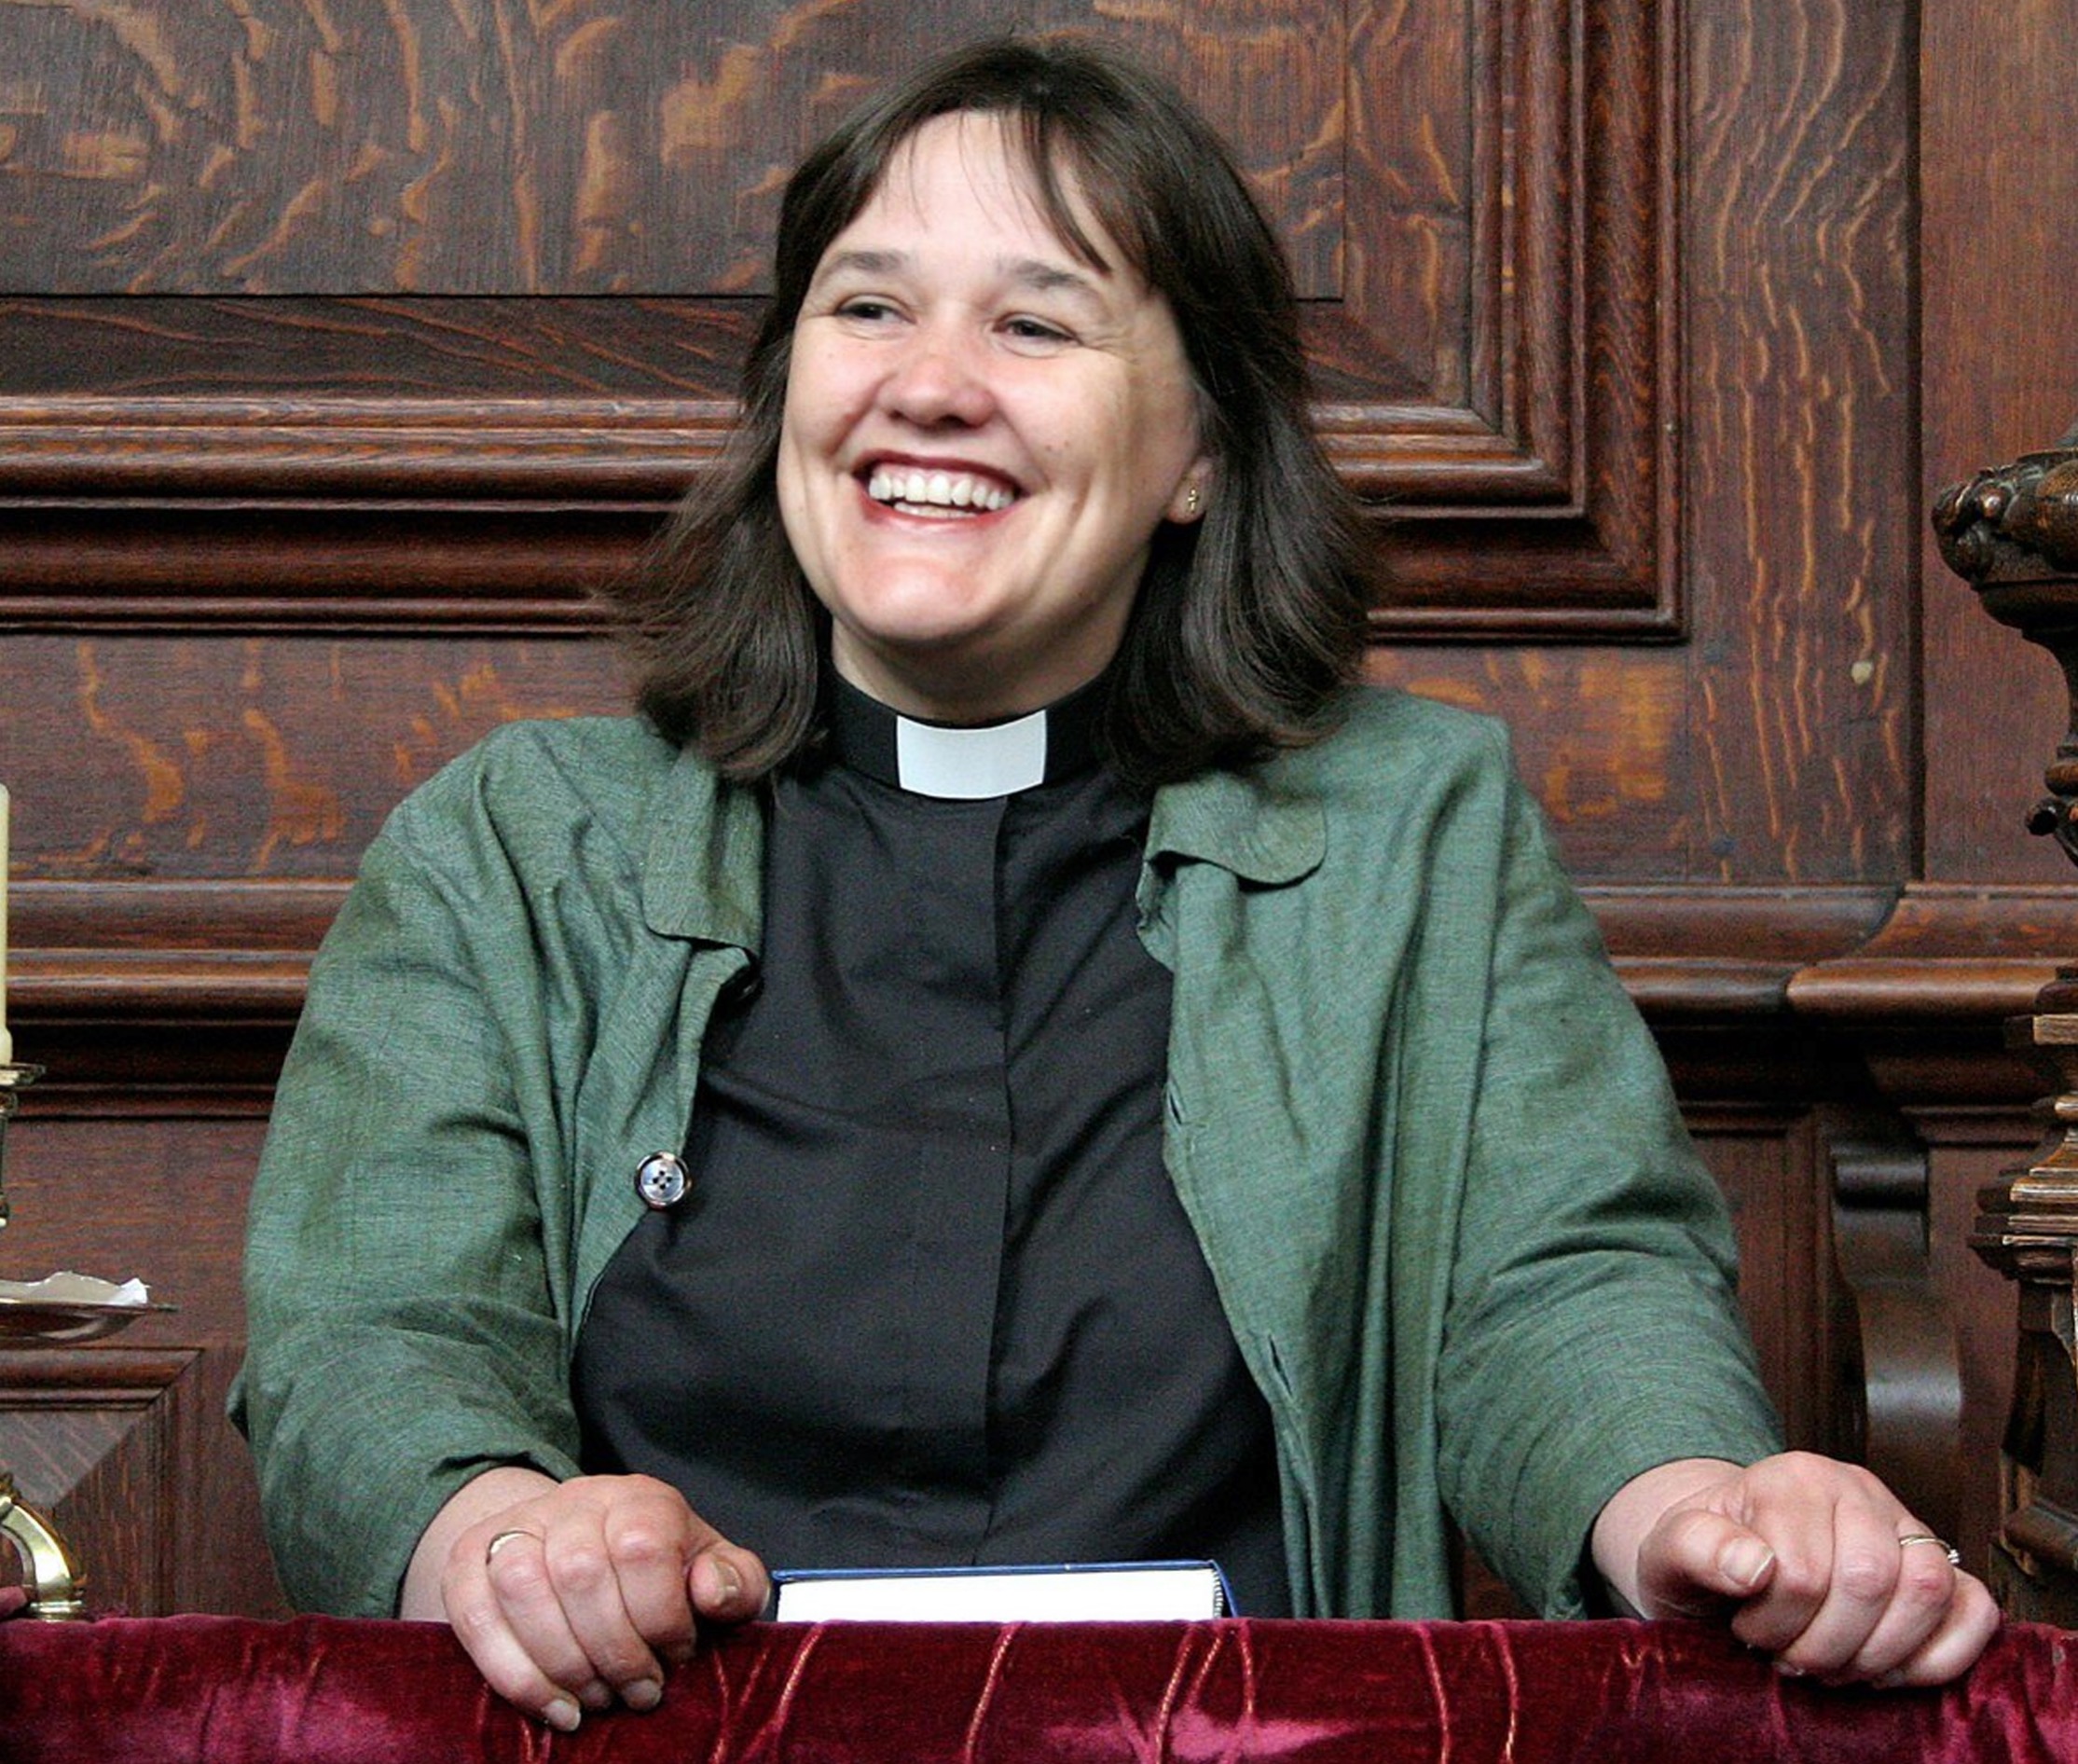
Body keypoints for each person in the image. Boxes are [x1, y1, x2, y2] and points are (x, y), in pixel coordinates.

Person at [232, 35, 1999, 1732]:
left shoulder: (1414, 827)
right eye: (866, 309)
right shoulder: (512, 845)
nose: (929, 383)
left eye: (1034, 321)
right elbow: (374, 1340)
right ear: (787, 396)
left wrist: (1691, 1502)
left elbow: (1560, 1282)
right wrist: (503, 1534)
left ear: (1199, 454)